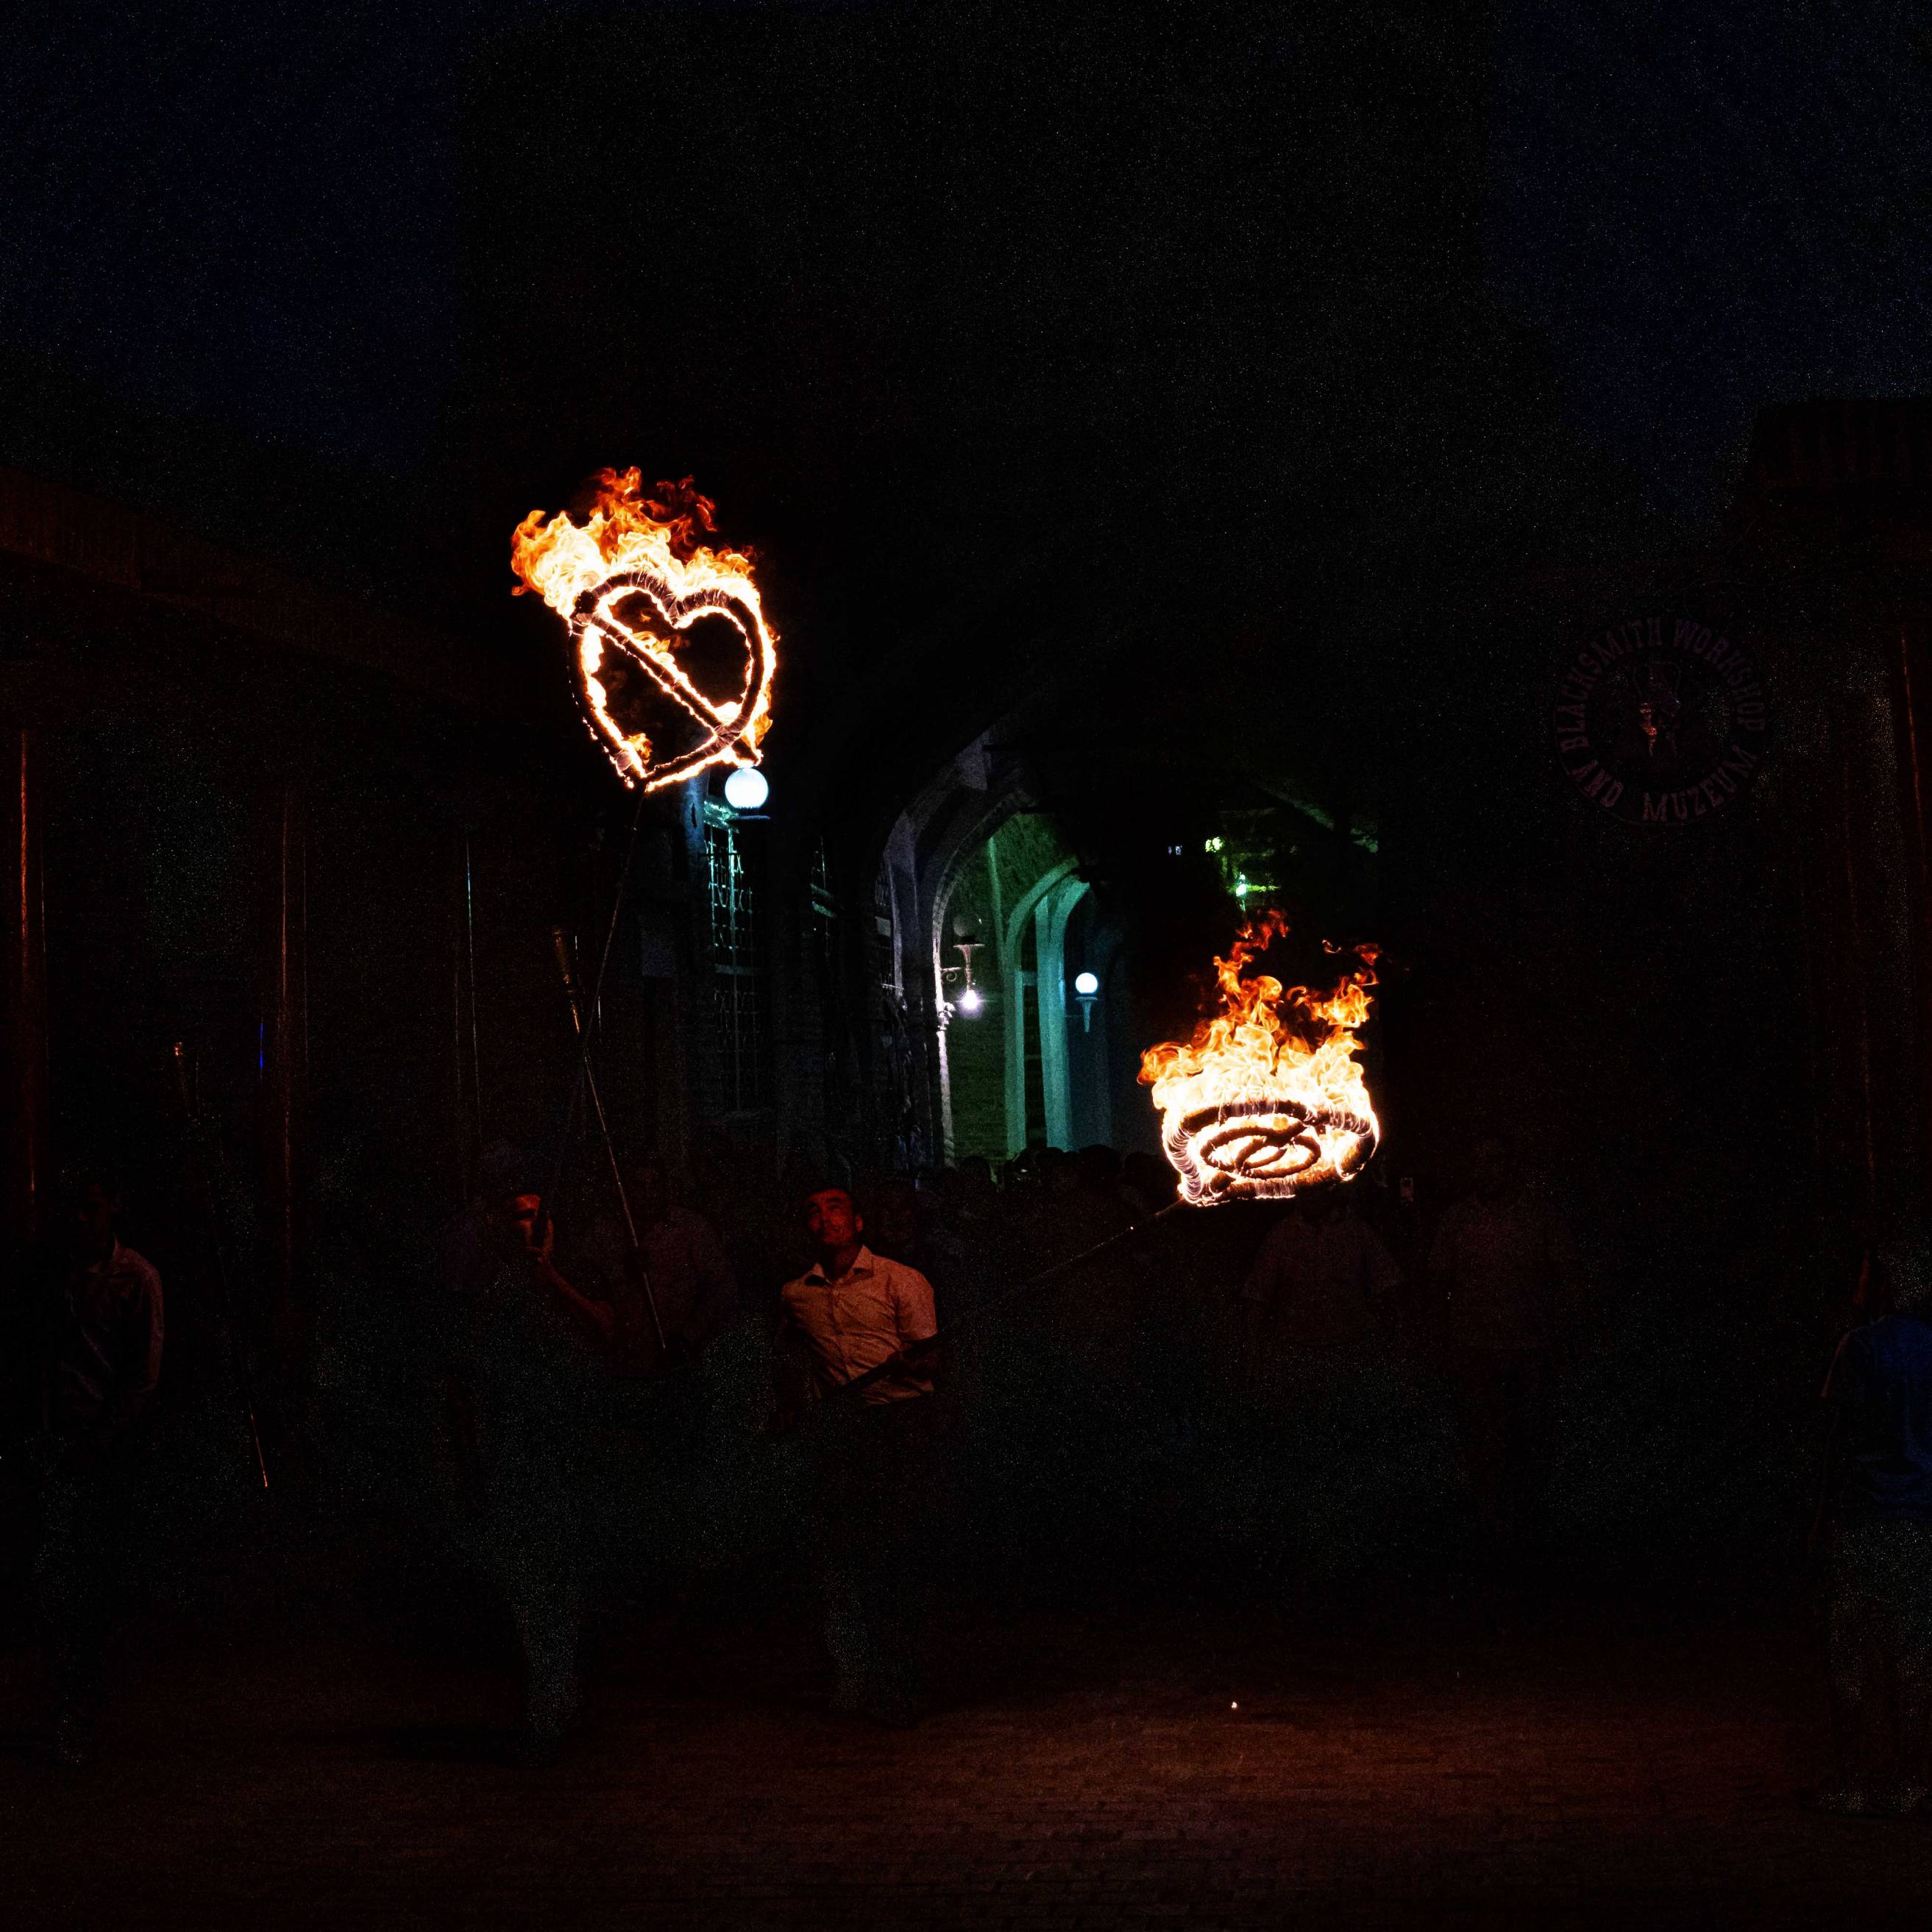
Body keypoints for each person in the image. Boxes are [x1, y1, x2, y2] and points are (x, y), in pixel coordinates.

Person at [445, 1145, 615, 1756]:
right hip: (517, 1451)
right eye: (519, 1217)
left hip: (572, 1448)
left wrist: (552, 1281)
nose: (531, 1227)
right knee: (528, 1576)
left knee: (571, 1573)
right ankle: (545, 1688)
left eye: (538, 1216)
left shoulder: (580, 1274)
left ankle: (566, 1685)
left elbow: (608, 1330)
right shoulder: (489, 1293)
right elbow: (468, 1371)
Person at [775, 1183, 941, 1725]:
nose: (825, 1219)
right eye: (814, 1211)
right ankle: (854, 1678)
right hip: (842, 1431)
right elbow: (791, 1364)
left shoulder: (902, 1280)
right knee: (845, 1556)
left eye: (836, 1207)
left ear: (860, 1221)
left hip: (901, 1425)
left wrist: (908, 1364)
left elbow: (931, 1363)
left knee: (900, 1555)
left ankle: (904, 1681)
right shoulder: (796, 1295)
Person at [34, 1168, 164, 1766]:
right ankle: (68, 1705)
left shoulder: (135, 1279)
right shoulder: (54, 1275)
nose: (81, 1220)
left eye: (92, 1208)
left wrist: (104, 1437)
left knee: (92, 1584)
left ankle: (84, 1706)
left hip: (104, 1451)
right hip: (58, 1444)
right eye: (75, 1209)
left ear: (115, 1206)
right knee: (59, 1582)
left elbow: (141, 1376)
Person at [1811, 1232, 1932, 1816]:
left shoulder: (1856, 1347)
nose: (1856, 1285)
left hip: (1862, 1518)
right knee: (1911, 1654)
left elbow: (1837, 1441)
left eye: (1864, 1274)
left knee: (1850, 1653)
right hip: (1917, 1520)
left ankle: (1853, 1777)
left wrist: (1820, 1516)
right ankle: (1912, 1778)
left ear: (1883, 1283)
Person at [1427, 1134, 1583, 1540]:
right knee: (1482, 1435)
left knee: (1532, 1435)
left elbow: (1567, 1277)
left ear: (1510, 1166)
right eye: (1480, 1162)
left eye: (1495, 1161)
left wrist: (1567, 1333)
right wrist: (1441, 1341)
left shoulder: (1538, 1215)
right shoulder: (1457, 1219)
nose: (1488, 1170)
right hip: (1474, 1346)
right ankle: (1488, 1522)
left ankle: (1533, 1519)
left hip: (1531, 1345)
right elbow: (1438, 1282)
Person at [586, 1154, 737, 1374]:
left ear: (666, 1187)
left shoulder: (691, 1229)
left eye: (655, 1185)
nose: (648, 1194)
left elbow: (724, 1289)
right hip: (621, 1364)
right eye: (639, 1186)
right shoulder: (605, 1232)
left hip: (678, 1362)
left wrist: (688, 1337)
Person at [1240, 1179, 1402, 1365]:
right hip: (1297, 1351)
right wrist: (1251, 1351)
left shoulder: (1355, 1231)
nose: (1310, 1197)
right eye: (1305, 1191)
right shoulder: (1282, 1235)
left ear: (1328, 1192)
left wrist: (1397, 1338)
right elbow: (1257, 1294)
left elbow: (1388, 1282)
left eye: (1315, 1191)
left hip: (1351, 1347)